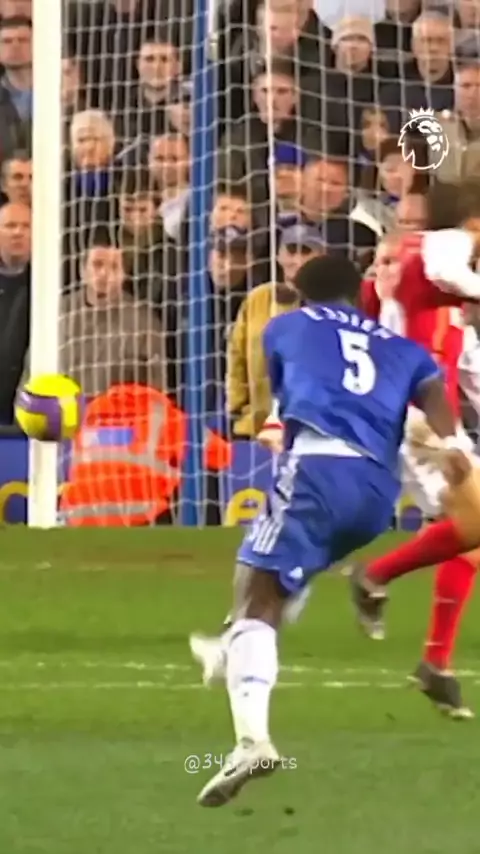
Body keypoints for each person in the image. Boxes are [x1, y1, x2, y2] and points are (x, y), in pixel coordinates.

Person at [192, 253, 470, 808]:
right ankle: (229, 648)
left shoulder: (284, 325)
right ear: (359, 294)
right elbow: (435, 395)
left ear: (301, 294)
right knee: (285, 569)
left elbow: (286, 390)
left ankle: (251, 738)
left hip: (319, 467)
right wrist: (453, 444)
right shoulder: (402, 347)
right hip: (377, 494)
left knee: (256, 589)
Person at [353, 194, 480, 716]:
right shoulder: (426, 266)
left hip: (440, 427)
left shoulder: (451, 315)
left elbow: (471, 374)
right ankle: (374, 576)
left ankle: (435, 664)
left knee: (470, 541)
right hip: (412, 422)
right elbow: (437, 266)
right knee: (473, 525)